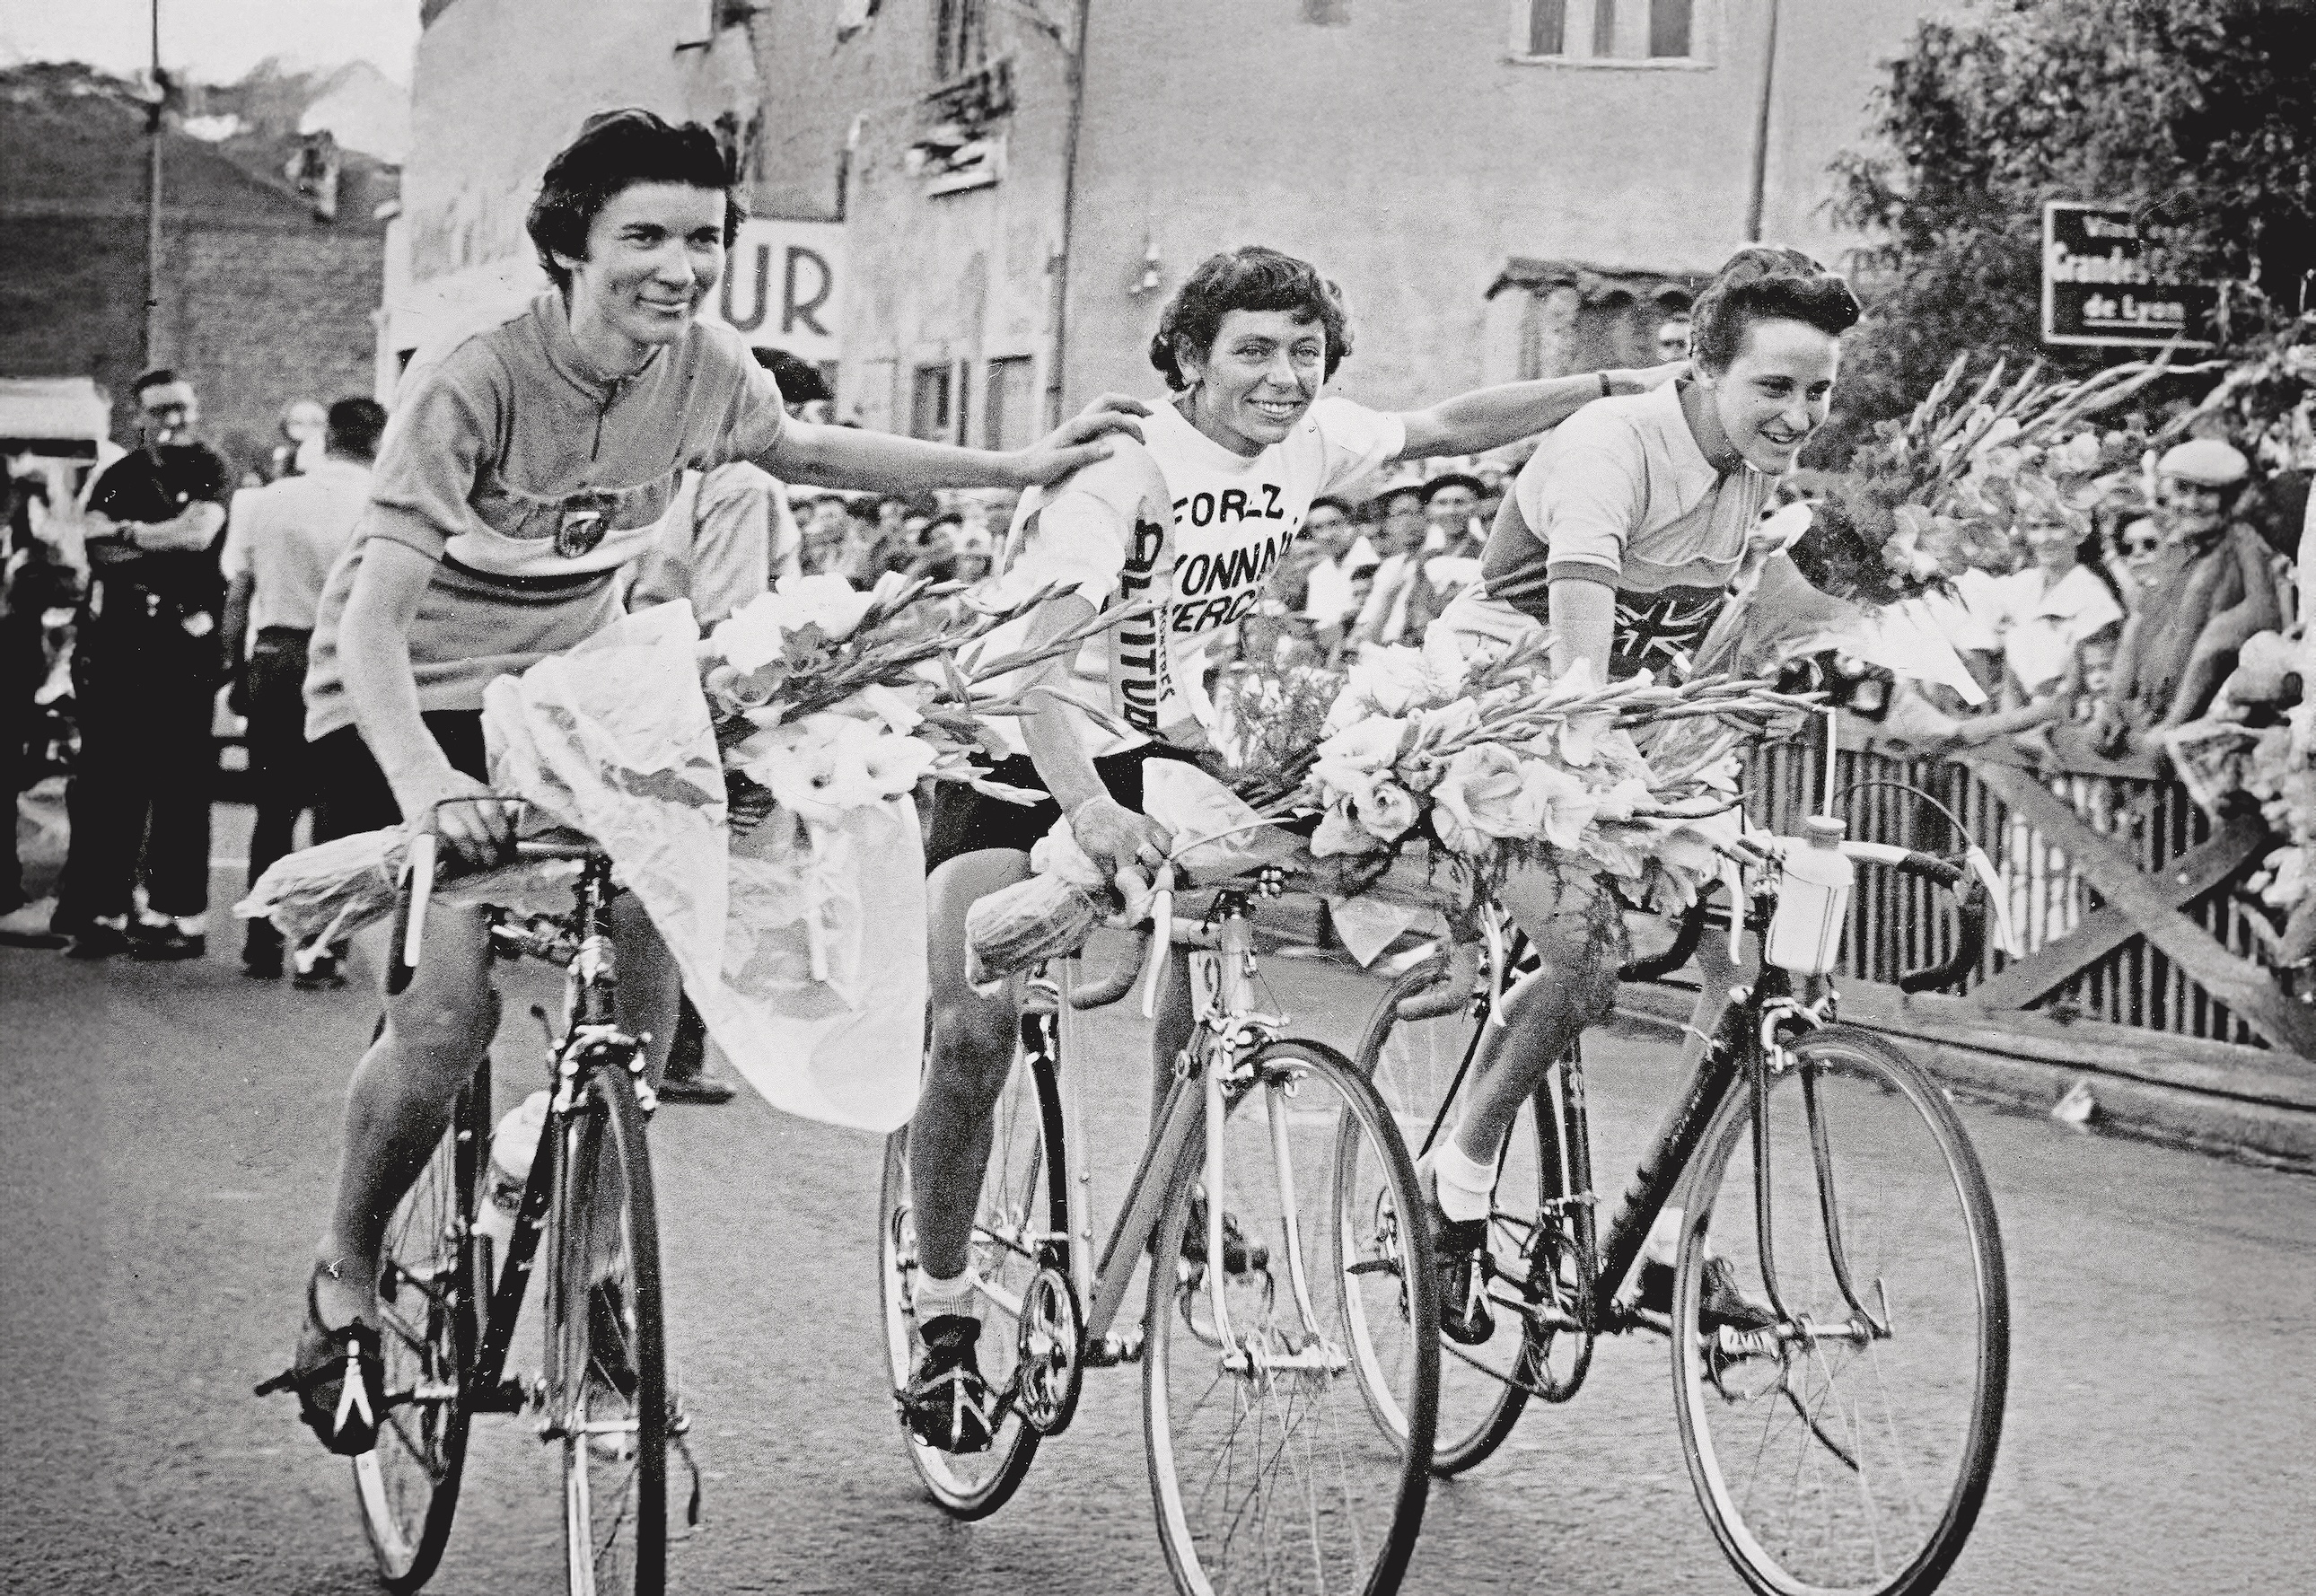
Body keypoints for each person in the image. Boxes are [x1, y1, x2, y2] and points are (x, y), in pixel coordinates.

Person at [255, 108, 1143, 1456]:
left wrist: (1014, 466)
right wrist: (431, 784)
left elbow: (812, 451)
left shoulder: (706, 364)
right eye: (646, 237)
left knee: (647, 981)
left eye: (704, 239)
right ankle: (343, 1279)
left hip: (579, 691)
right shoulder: (475, 377)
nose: (679, 266)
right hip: (414, 702)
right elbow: (371, 618)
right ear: (570, 247)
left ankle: (600, 1285)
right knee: (445, 1017)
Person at [900, 243, 1676, 1452]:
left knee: (1214, 958)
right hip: (1017, 754)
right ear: (1187, 359)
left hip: (1166, 746)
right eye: (1254, 351)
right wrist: (1088, 813)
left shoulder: (1309, 441)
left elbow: (1443, 427)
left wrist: (1609, 388)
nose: (1284, 375)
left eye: (1305, 351)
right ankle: (943, 1310)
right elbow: (1030, 666)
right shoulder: (1121, 471)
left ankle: (1177, 1184)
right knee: (973, 1030)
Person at [1427, 246, 1862, 1343]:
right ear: (1706, 368)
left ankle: (1670, 1240)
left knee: (1749, 960)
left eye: (1819, 390)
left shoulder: (1758, 468)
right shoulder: (1609, 444)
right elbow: (1580, 658)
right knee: (1586, 958)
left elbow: (1733, 618)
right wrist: (1605, 753)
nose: (1800, 412)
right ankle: (1460, 1175)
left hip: (1642, 702)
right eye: (1776, 386)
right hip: (1519, 692)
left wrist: (1830, 660)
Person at [53, 369, 232, 961]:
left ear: (195, 408)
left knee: (181, 784)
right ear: (140, 417)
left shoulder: (210, 467)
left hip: (185, 653)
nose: (173, 420)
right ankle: (104, 908)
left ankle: (175, 915)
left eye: (181, 407)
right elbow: (95, 546)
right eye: (160, 411)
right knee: (111, 782)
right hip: (118, 652)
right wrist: (160, 536)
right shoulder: (120, 474)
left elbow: (199, 535)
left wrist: (131, 534)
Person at [221, 397, 388, 981]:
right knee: (335, 810)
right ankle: (318, 950)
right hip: (343, 660)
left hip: (277, 655)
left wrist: (235, 671)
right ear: (376, 442)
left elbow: (239, 595)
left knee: (274, 808)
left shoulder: (268, 501)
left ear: (330, 438)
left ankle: (260, 942)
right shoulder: (376, 503)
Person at [2090, 437, 2280, 753]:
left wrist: (2225, 629)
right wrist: (2113, 703)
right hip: (2154, 697)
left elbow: (2264, 613)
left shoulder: (2244, 541)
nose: (2191, 503)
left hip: (2207, 702)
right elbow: (2141, 623)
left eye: (2205, 492)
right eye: (2183, 490)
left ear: (2228, 498)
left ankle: (2173, 723)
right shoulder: (2174, 545)